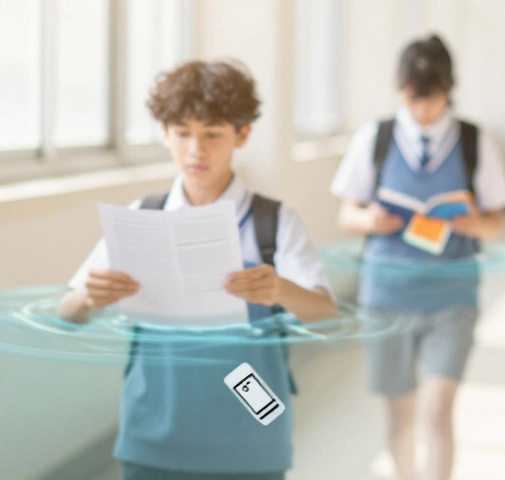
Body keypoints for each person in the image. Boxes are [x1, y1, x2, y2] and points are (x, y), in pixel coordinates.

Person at [58, 60, 337, 480]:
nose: (196, 150)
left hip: (252, 437)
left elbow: (325, 312)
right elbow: (69, 312)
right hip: (154, 433)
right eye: (182, 133)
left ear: (242, 134)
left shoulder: (274, 223)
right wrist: (90, 296)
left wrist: (279, 290)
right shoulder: (141, 218)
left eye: (212, 134)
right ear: (165, 134)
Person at [330, 35, 505, 480]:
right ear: (400, 89)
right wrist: (370, 221)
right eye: (414, 100)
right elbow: (345, 215)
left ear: (449, 90)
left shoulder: (473, 140)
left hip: (452, 298)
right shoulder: (376, 138)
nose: (423, 111)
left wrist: (474, 222)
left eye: (432, 100)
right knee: (400, 415)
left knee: (435, 412)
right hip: (386, 296)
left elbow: (495, 222)